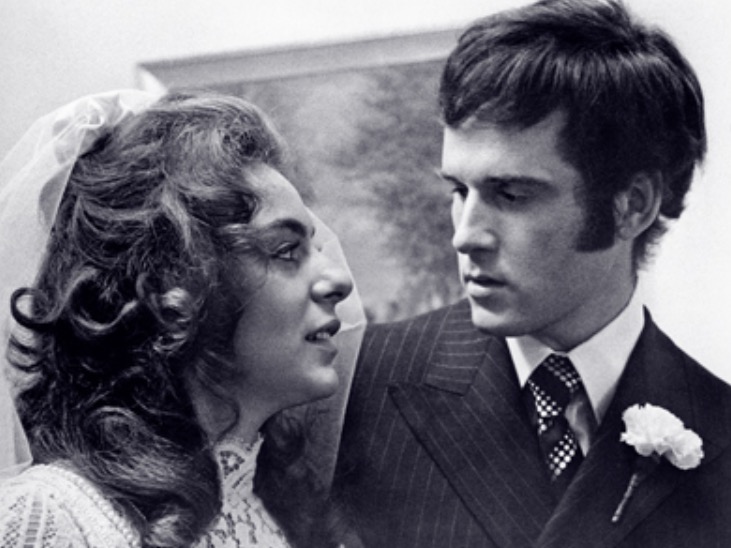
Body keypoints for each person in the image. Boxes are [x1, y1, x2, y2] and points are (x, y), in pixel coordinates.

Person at [333, 0, 731, 546]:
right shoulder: (355, 389)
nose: (465, 235)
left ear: (633, 206)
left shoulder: (720, 430)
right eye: (459, 191)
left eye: (512, 195)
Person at [0, 89, 365, 548]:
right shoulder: (50, 518)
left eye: (316, 246)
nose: (338, 279)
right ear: (174, 290)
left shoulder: (281, 508)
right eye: (287, 250)